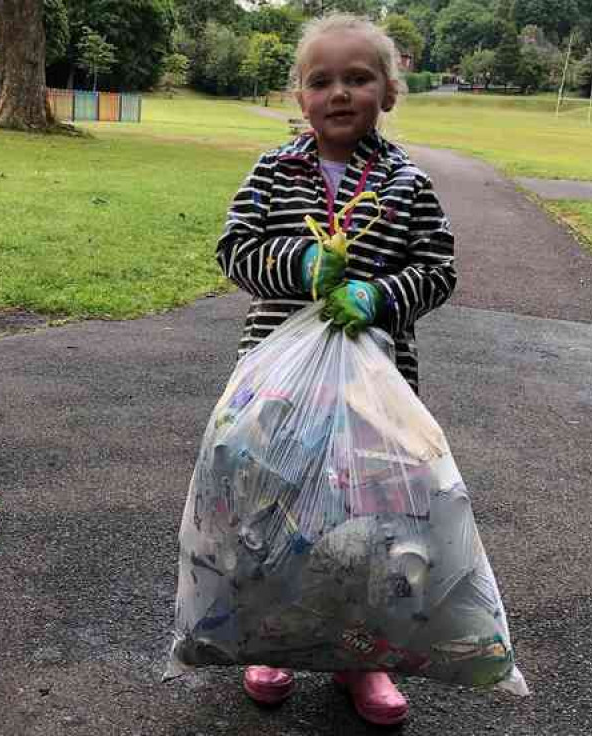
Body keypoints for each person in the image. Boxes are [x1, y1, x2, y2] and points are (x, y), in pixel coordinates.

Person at [214, 12, 457, 727]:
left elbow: (438, 270)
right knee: (276, 513)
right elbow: (235, 250)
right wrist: (301, 264)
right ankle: (275, 638)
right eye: (321, 80)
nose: (340, 92)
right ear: (300, 96)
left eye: (358, 78)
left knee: (369, 525)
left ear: (389, 92)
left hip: (376, 389)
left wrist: (379, 294)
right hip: (278, 385)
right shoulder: (271, 171)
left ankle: (362, 656)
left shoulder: (407, 182)